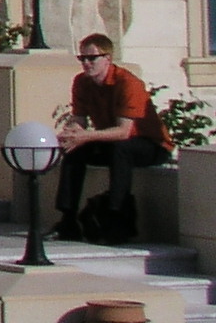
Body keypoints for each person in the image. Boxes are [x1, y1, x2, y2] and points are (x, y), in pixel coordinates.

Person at [53, 33, 171, 245]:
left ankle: (116, 218)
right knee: (75, 150)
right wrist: (71, 134)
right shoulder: (81, 82)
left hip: (150, 145)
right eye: (82, 59)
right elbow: (79, 119)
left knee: (121, 149)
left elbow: (124, 131)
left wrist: (85, 136)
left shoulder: (127, 83)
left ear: (108, 58)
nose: (86, 64)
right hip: (112, 141)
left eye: (92, 59)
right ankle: (67, 219)